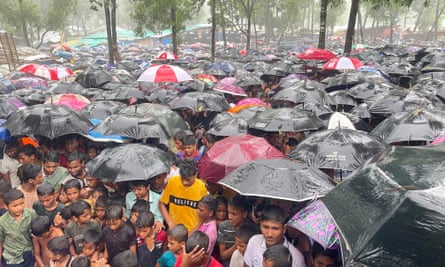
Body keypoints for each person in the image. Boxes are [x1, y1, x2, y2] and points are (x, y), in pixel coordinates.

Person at [159, 159, 208, 232]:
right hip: (175, 229)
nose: (184, 182)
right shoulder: (173, 181)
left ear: (195, 175)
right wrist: (169, 222)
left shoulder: (201, 187)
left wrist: (195, 230)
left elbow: (205, 212)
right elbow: (161, 203)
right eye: (182, 179)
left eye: (188, 180)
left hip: (192, 230)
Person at [218, 195, 258, 266]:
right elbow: (223, 256)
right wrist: (238, 243)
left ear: (244, 214)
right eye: (228, 212)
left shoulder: (253, 230)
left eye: (234, 214)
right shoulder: (224, 227)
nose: (230, 217)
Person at [0, 189, 37, 267]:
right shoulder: (2, 222)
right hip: (12, 259)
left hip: (29, 255)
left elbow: (37, 236)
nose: (19, 208)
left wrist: (37, 256)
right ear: (6, 206)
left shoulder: (31, 214)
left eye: (22, 203)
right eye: (15, 206)